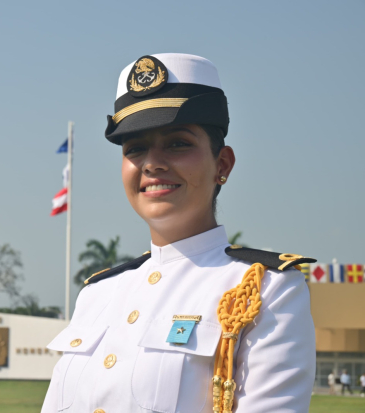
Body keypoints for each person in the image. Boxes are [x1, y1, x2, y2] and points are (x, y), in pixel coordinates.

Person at [41, 53, 317, 413]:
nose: (152, 163)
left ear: (223, 164)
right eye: (135, 148)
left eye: (177, 143)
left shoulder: (267, 290)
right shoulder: (98, 293)